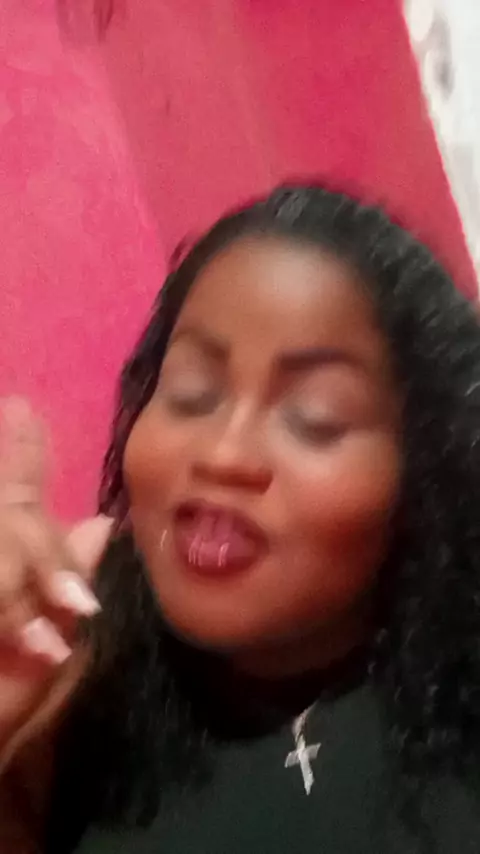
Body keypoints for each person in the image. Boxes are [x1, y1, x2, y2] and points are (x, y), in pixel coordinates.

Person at [2, 184, 480, 854]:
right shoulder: (70, 687)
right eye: (190, 393)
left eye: (315, 417)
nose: (224, 454)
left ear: (424, 470)